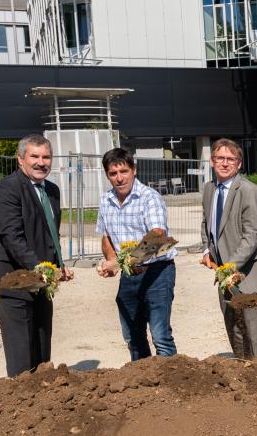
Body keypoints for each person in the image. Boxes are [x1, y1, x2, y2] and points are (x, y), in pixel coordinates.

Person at [0, 134, 73, 377]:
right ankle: (21, 395)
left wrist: (57, 266)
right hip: (10, 279)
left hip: (40, 279)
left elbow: (49, 234)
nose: (41, 162)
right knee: (21, 353)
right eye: (34, 156)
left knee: (42, 346)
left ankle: (42, 393)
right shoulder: (6, 189)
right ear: (20, 159)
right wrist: (43, 269)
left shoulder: (52, 190)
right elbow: (12, 238)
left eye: (46, 157)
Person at [201, 138, 257, 359]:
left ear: (239, 164)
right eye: (220, 158)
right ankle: (242, 368)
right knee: (234, 326)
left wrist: (229, 267)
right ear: (212, 161)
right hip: (226, 273)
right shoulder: (209, 189)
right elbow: (206, 224)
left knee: (255, 331)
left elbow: (252, 236)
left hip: (252, 273)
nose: (225, 163)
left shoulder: (248, 191)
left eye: (231, 159)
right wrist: (206, 251)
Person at [94, 148, 177, 361]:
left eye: (124, 171)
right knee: (132, 336)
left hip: (157, 272)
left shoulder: (149, 197)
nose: (119, 178)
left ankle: (170, 378)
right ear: (107, 175)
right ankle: (142, 379)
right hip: (129, 275)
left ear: (134, 170)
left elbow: (157, 236)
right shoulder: (105, 200)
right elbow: (106, 236)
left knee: (160, 335)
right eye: (113, 173)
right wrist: (112, 260)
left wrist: (120, 263)